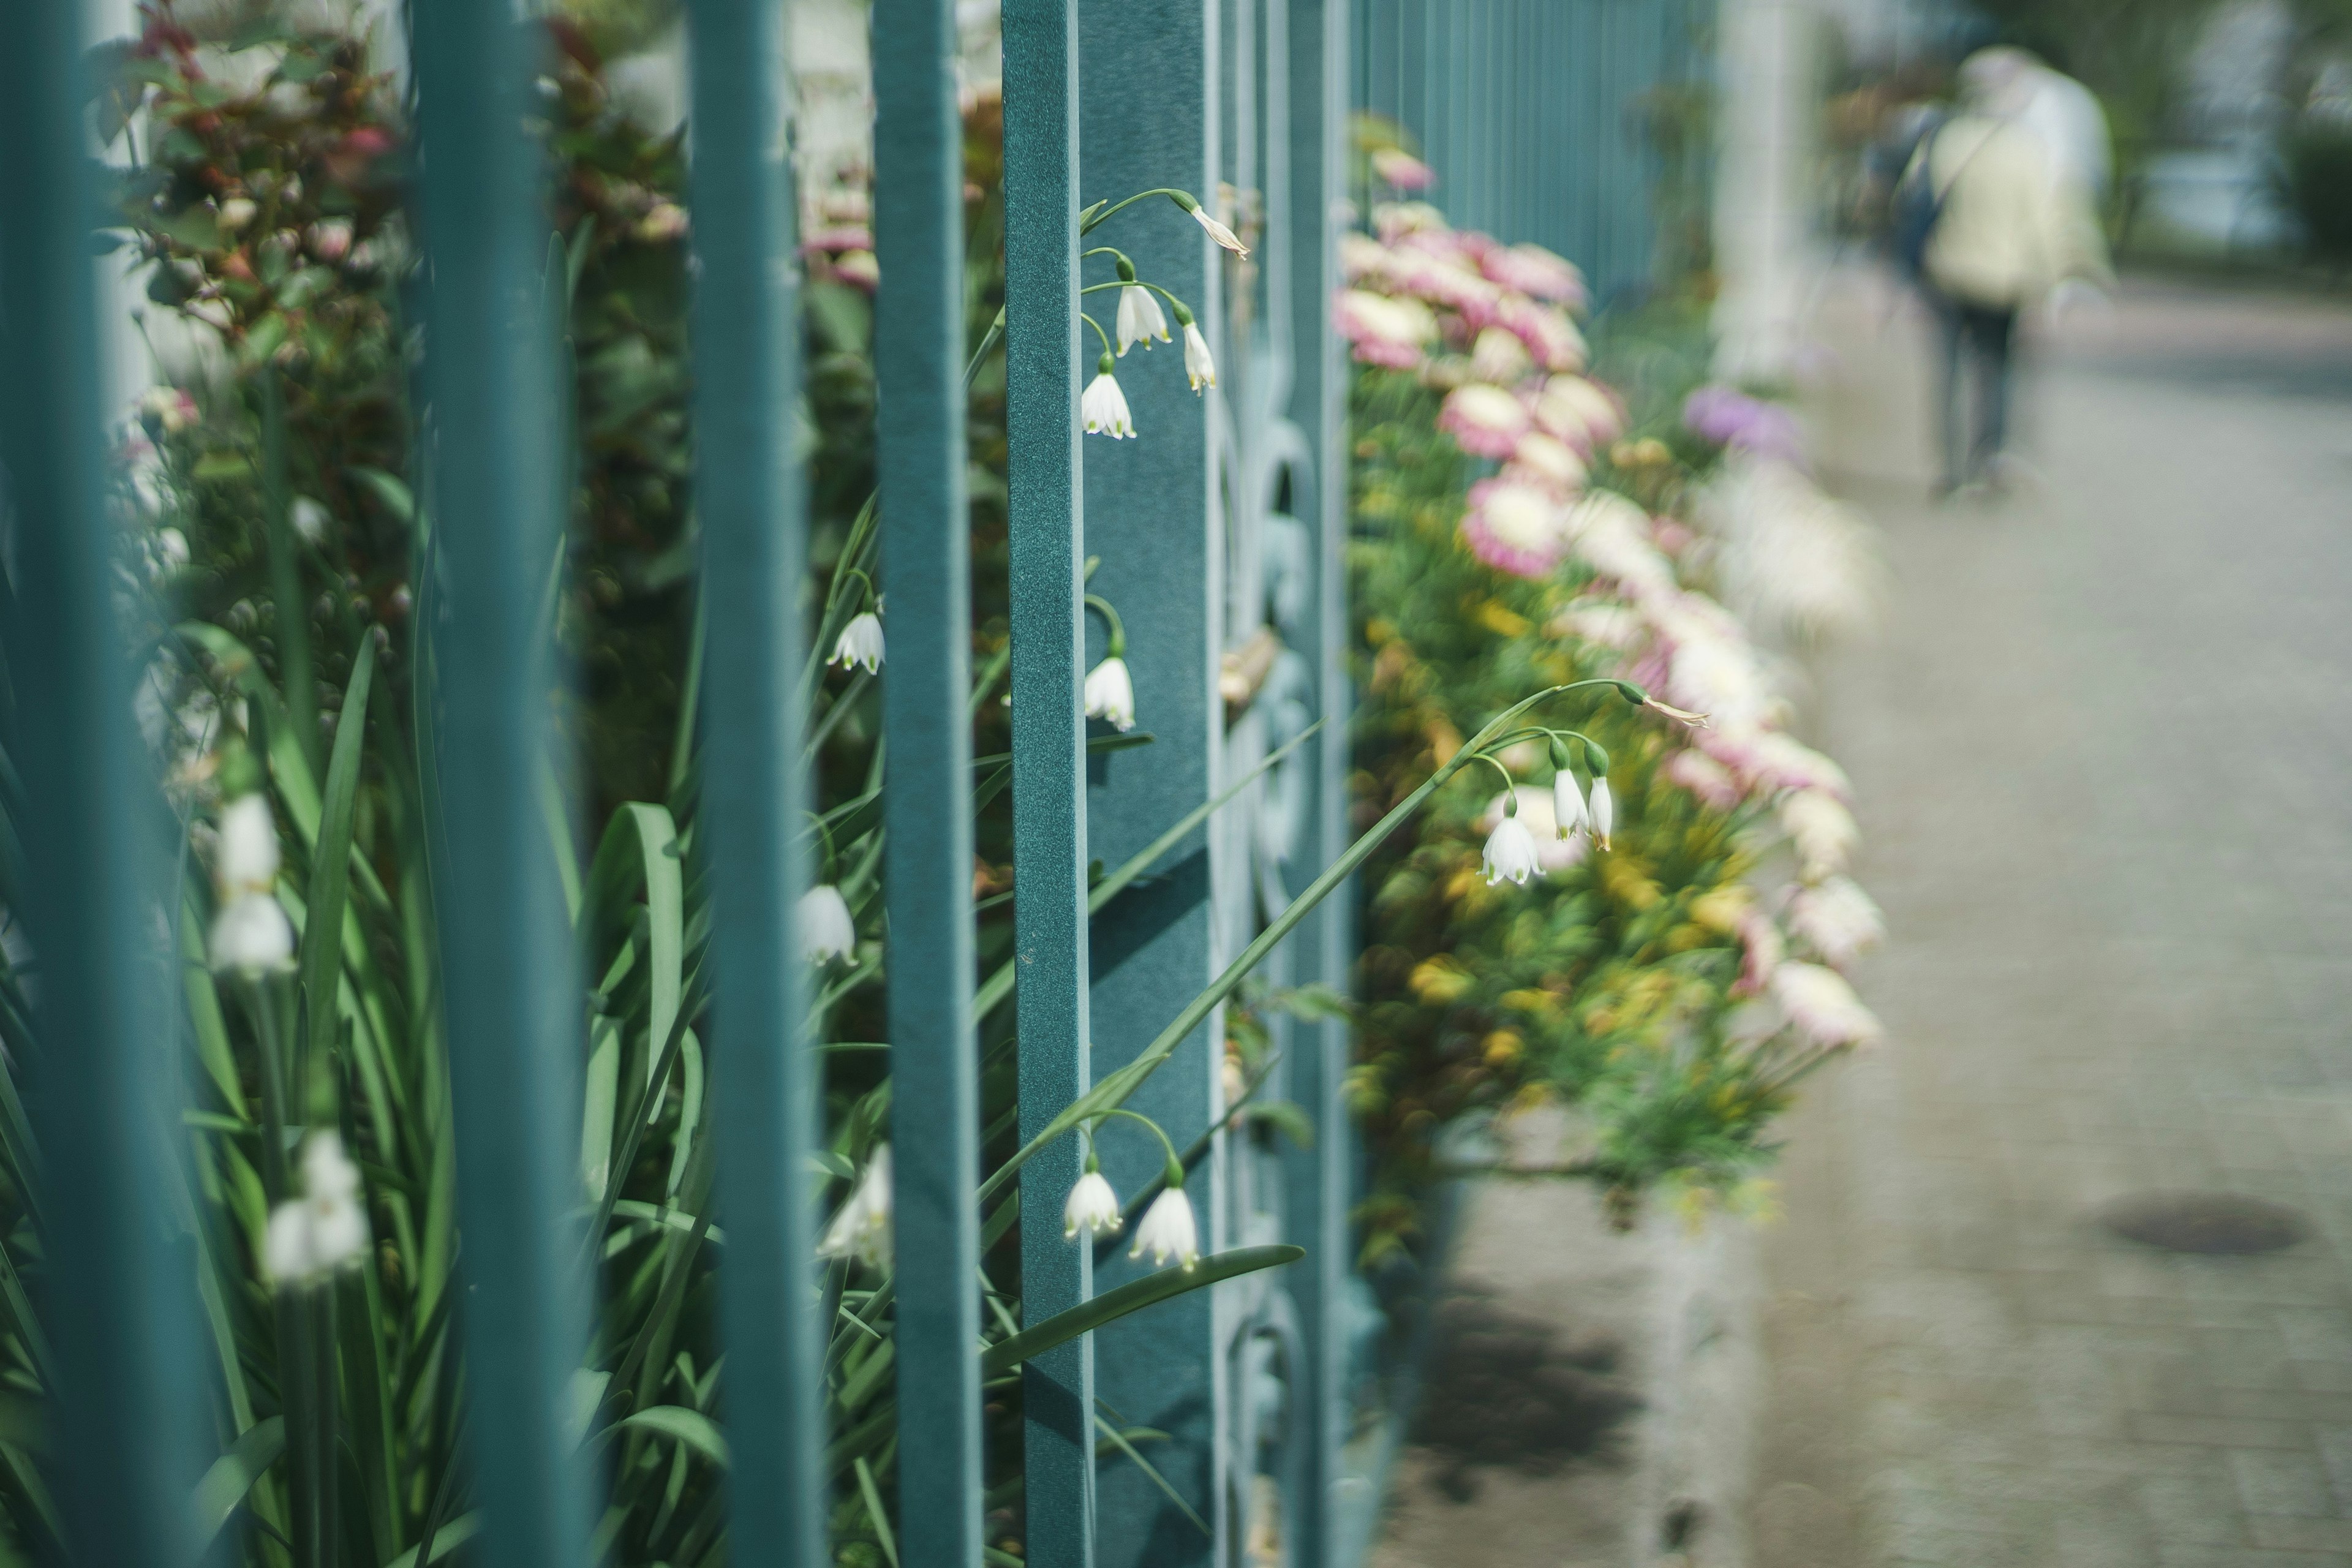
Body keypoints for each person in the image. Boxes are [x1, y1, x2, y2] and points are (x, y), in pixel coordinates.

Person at [1902, 47, 2113, 495]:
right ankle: (1989, 458)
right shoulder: (2027, 151)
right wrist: (2056, 279)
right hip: (2003, 278)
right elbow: (2043, 224)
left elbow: (1912, 199)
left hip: (1948, 270)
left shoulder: (1943, 139)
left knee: (1949, 369)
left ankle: (1951, 467)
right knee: (1995, 367)